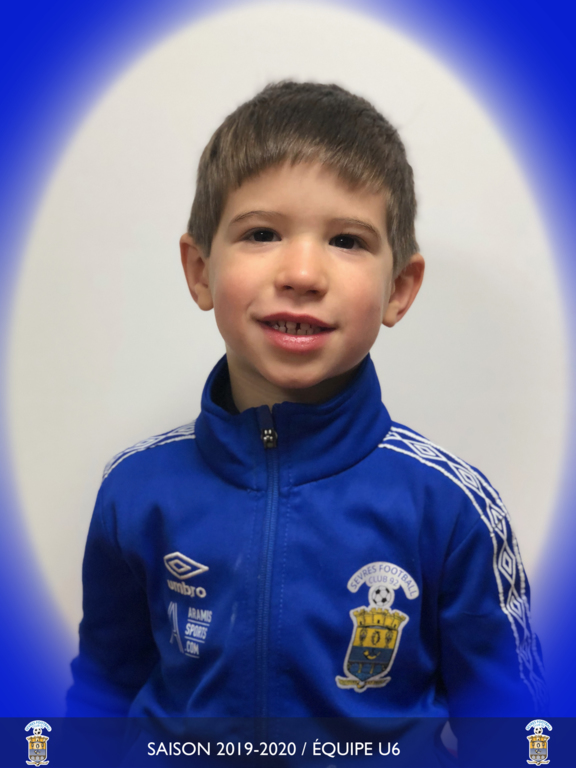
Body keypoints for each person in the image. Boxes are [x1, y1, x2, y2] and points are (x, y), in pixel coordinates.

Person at [67, 81, 547, 760]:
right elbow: (99, 696)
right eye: (262, 233)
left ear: (399, 289)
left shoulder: (452, 509)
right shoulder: (135, 489)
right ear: (200, 270)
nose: (301, 272)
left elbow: (516, 732)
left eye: (347, 240)